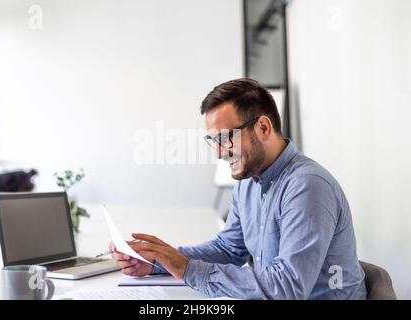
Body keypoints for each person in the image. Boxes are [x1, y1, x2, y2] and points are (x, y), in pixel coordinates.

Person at [110, 78, 367, 299]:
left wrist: (187, 269)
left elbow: (287, 288)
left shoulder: (307, 186)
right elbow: (228, 250)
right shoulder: (248, 182)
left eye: (225, 138)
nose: (220, 153)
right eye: (213, 141)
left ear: (263, 127)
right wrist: (159, 260)